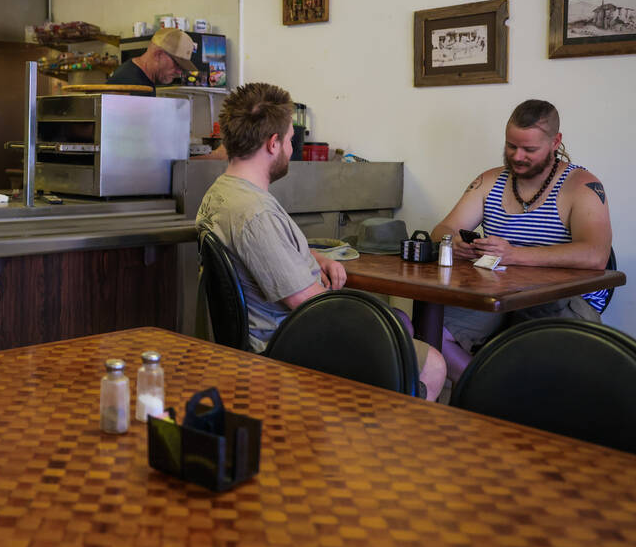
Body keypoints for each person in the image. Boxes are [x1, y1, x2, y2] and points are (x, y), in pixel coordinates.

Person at [196, 82, 446, 400]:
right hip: (288, 344)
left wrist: (313, 257)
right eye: (289, 141)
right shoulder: (254, 213)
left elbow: (264, 256)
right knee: (432, 363)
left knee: (399, 326)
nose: (290, 149)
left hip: (267, 335)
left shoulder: (222, 193)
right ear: (273, 143)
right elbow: (311, 306)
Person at [431, 99, 612, 379]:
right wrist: (453, 241)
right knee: (430, 333)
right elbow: (442, 228)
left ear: (555, 142)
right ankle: (485, 393)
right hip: (497, 292)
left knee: (545, 366)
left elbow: (595, 255)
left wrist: (514, 254)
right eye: (511, 146)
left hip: (562, 297)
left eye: (530, 149)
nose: (517, 156)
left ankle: (495, 398)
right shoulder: (489, 181)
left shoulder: (581, 185)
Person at [106, 27, 197, 93]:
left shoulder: (146, 81)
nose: (179, 72)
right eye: (177, 64)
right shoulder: (128, 83)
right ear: (158, 55)